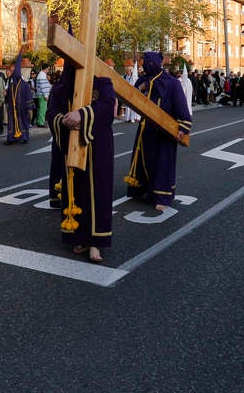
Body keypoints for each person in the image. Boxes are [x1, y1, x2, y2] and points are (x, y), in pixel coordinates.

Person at [48, 63, 116, 262]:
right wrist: (63, 120)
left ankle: (96, 241)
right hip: (72, 146)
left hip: (98, 146)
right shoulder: (62, 86)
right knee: (77, 191)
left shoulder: (102, 80)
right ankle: (79, 237)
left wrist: (82, 115)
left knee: (98, 192)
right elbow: (51, 112)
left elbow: (107, 107)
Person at [124, 52, 191, 211]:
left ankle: (162, 196)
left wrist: (183, 127)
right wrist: (140, 88)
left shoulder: (172, 83)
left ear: (152, 63)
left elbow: (182, 108)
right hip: (145, 128)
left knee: (162, 163)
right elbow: (132, 97)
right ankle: (143, 190)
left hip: (164, 132)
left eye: (146, 63)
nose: (143, 67)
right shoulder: (142, 80)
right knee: (144, 160)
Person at [4, 54, 32, 145]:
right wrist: (7, 104)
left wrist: (29, 108)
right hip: (12, 109)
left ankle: (24, 137)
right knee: (12, 124)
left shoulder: (25, 85)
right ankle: (11, 138)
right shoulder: (12, 85)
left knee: (23, 122)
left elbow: (28, 97)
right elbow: (8, 96)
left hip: (22, 109)